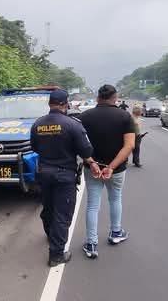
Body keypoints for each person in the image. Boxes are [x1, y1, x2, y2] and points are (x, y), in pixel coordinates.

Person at [31, 90, 98, 267]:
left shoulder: (37, 124)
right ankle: (56, 255)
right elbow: (87, 150)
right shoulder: (73, 124)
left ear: (49, 104)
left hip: (44, 173)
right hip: (64, 175)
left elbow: (34, 147)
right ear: (65, 104)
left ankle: (50, 234)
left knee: (48, 208)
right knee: (62, 214)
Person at [79, 85, 135, 259]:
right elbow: (129, 145)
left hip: (92, 169)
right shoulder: (125, 116)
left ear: (98, 98)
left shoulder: (84, 117)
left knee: (92, 205)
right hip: (116, 170)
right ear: (115, 98)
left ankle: (91, 243)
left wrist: (92, 163)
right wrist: (111, 167)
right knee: (115, 199)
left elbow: (79, 145)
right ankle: (116, 232)